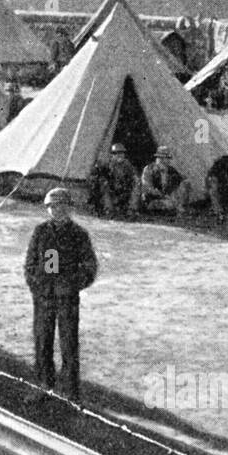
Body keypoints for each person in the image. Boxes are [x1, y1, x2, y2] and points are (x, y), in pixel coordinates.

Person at [23, 188, 98, 403]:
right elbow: (30, 264)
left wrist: (72, 284)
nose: (57, 211)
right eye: (53, 207)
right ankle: (44, 384)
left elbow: (89, 267)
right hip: (44, 296)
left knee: (68, 343)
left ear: (70, 209)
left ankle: (70, 391)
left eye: (62, 206)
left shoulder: (79, 234)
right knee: (42, 341)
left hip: (67, 297)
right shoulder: (41, 232)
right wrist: (37, 286)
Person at [135, 145, 191, 217]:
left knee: (186, 184)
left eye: (168, 158)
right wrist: (161, 195)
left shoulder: (171, 170)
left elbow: (182, 180)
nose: (168, 160)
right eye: (166, 158)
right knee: (168, 204)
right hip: (152, 199)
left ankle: (177, 208)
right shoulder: (149, 169)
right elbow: (147, 187)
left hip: (168, 199)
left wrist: (177, 193)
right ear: (160, 158)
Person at [88, 143, 138, 219]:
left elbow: (134, 176)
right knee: (104, 185)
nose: (119, 155)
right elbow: (95, 175)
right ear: (112, 155)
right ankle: (109, 210)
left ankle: (131, 210)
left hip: (122, 190)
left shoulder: (127, 165)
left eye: (121, 153)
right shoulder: (106, 164)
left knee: (136, 186)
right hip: (109, 190)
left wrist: (134, 181)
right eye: (116, 153)